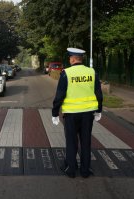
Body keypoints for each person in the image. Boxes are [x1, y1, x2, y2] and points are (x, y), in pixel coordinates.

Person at [51, 47, 103, 178]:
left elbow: (59, 96)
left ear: (73, 59)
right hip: (88, 114)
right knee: (86, 142)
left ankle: (71, 169)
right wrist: (99, 110)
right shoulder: (91, 72)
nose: (69, 59)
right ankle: (85, 171)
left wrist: (55, 113)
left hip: (71, 115)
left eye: (70, 58)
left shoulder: (66, 73)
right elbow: (98, 93)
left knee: (71, 142)